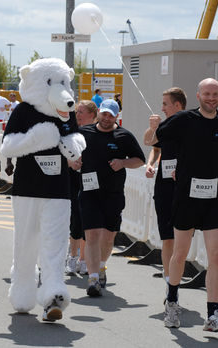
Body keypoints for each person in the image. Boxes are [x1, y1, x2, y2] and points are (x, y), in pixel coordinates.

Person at [147, 78, 218, 332]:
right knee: (180, 253)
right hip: (187, 194)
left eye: (215, 94)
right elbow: (151, 141)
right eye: (207, 94)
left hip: (214, 195)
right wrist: (153, 127)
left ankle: (213, 315)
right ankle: (172, 302)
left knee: (216, 255)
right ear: (198, 95)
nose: (211, 98)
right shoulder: (183, 120)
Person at [78, 99, 145, 297]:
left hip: (113, 194)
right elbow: (70, 153)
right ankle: (92, 278)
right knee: (92, 235)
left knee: (108, 237)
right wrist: (73, 162)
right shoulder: (84, 133)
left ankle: (101, 266)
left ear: (117, 116)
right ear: (98, 112)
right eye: (104, 114)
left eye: (111, 115)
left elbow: (139, 160)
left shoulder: (123, 136)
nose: (107, 118)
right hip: (89, 192)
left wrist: (123, 162)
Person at [143, 87, 186, 292]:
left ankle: (175, 276)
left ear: (177, 105)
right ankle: (170, 282)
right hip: (164, 188)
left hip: (185, 189)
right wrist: (150, 163)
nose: (162, 108)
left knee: (181, 239)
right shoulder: (164, 126)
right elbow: (151, 144)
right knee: (167, 237)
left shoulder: (190, 124)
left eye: (165, 104)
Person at [65, 100, 98, 276]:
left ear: (92, 115)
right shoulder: (71, 132)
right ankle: (72, 257)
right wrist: (70, 162)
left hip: (92, 181)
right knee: (75, 219)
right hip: (73, 179)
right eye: (77, 111)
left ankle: (84, 259)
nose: (77, 115)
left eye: (81, 112)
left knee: (88, 221)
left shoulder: (98, 133)